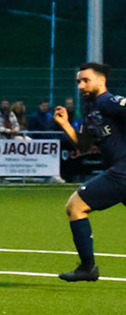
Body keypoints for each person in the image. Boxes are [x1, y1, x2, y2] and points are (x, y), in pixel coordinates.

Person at [52, 62, 126, 282]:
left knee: (75, 206)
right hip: (118, 171)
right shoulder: (90, 107)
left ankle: (87, 267)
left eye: (86, 80)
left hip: (122, 171)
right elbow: (84, 145)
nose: (81, 86)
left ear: (101, 80)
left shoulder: (109, 102)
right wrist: (66, 125)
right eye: (78, 82)